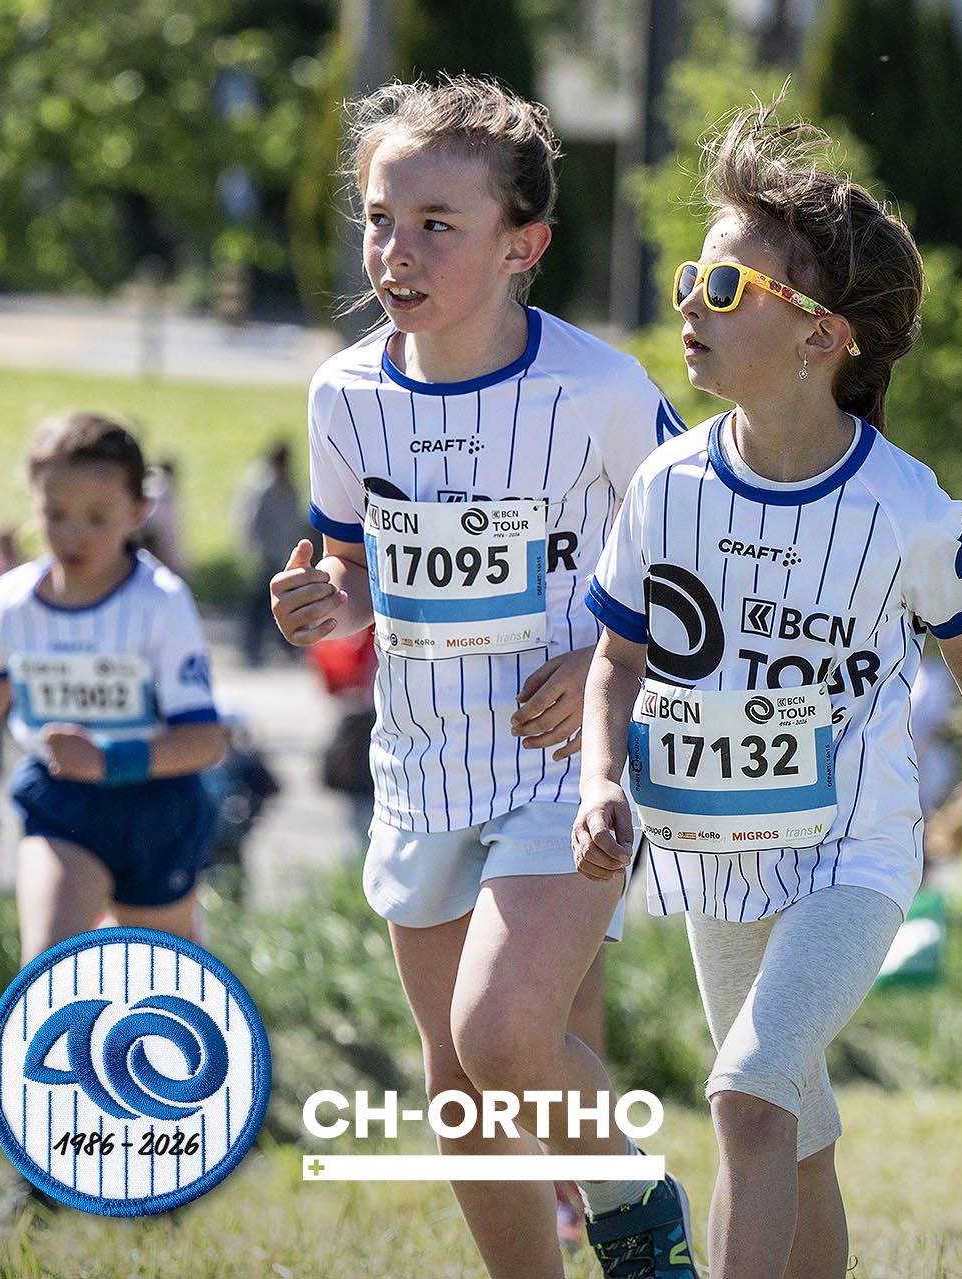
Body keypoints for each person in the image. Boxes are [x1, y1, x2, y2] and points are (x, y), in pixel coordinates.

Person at [573, 105, 962, 1279]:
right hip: (716, 857)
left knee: (747, 1097)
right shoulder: (667, 484)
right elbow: (616, 660)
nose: (690, 303)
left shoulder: (905, 505)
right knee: (794, 1137)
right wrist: (600, 780)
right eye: (691, 278)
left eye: (724, 287)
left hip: (854, 857)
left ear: (820, 337)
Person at [266, 73, 694, 1279]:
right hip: (421, 768)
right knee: (462, 1088)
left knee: (503, 1031)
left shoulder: (602, 390)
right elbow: (353, 568)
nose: (395, 251)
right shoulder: (344, 393)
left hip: (568, 762)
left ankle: (636, 1213)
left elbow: (697, 557)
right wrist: (324, 601)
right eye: (379, 220)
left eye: (436, 225)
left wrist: (604, 654)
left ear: (524, 244)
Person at [0, 413, 227, 962]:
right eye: (55, 515)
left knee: (155, 982)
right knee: (50, 971)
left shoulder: (161, 603)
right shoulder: (7, 603)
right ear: (32, 503)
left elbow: (205, 742)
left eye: (97, 517)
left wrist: (106, 760)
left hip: (158, 808)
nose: (73, 534)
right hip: (61, 803)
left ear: (138, 511)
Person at [234, 441, 308, 666]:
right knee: (261, 604)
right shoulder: (263, 484)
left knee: (286, 600)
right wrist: (256, 550)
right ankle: (252, 647)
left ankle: (287, 645)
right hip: (267, 554)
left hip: (284, 553)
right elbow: (252, 521)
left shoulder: (288, 484)